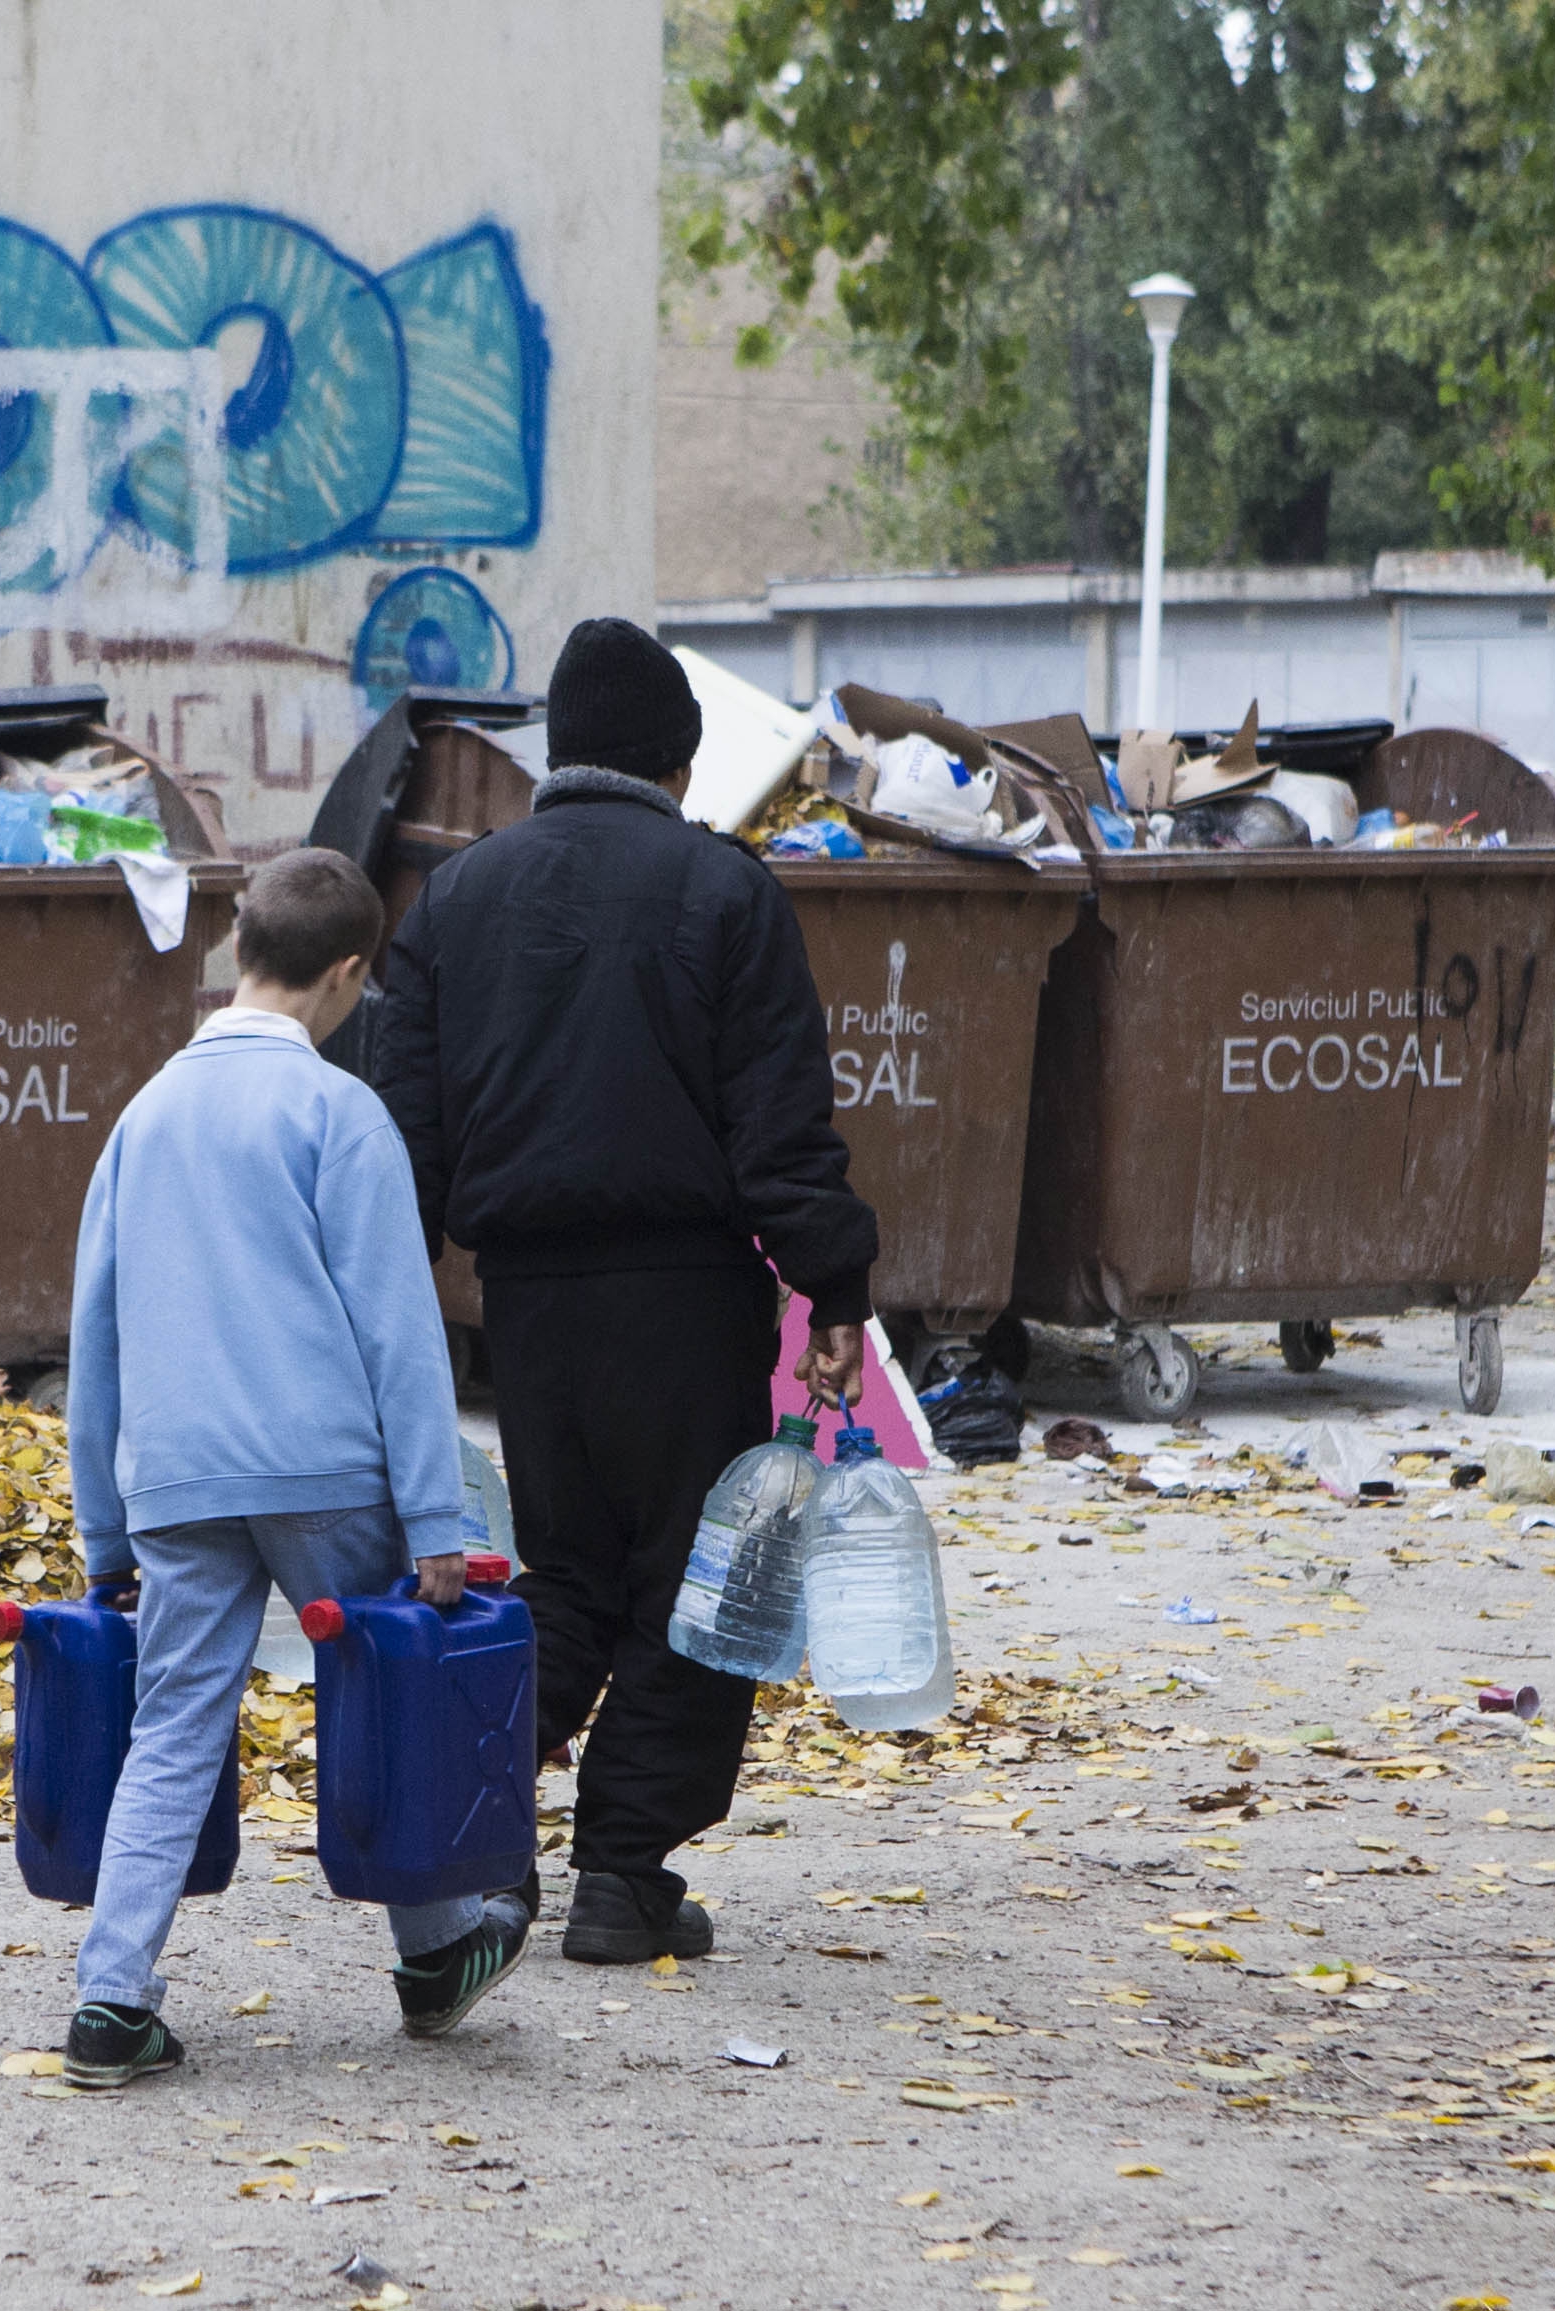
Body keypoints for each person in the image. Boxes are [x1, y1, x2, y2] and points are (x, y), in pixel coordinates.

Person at [374, 616, 878, 1966]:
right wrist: (833, 1289)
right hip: (685, 1298)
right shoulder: (722, 889)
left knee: (571, 1572)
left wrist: (382, 1323)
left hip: (524, 1308)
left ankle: (478, 1827)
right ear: (680, 757)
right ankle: (620, 1871)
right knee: (691, 1579)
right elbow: (781, 1129)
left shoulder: (459, 899)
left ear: (559, 747)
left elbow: (400, 1138)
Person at [59, 848, 528, 2091]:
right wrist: (434, 1514)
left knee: (171, 1727)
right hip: (322, 1465)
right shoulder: (339, 1113)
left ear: (233, 943)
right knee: (383, 1695)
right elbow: (396, 1331)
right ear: (347, 975)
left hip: (177, 1477)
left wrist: (103, 1528)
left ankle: (111, 2001)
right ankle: (434, 1956)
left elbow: (93, 1333)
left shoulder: (144, 1113)